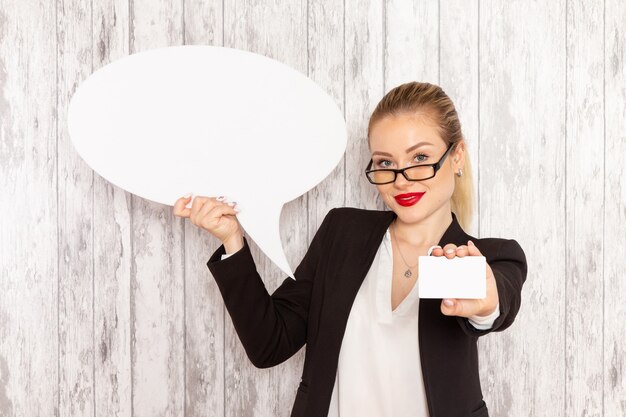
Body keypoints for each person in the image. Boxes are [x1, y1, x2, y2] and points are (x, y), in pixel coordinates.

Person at [173, 81, 527, 417]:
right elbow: (270, 344)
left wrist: (485, 299)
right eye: (386, 163)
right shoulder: (342, 234)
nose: (401, 178)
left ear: (457, 156)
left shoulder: (487, 256)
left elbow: (496, 297)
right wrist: (231, 239)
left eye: (419, 158)